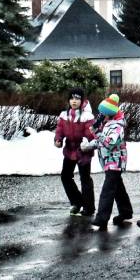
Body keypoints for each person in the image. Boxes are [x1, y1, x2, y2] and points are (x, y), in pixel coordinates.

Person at [88, 94, 132, 230]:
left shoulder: (118, 126)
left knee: (107, 190)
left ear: (110, 114)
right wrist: (88, 145)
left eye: (103, 114)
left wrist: (97, 133)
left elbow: (110, 143)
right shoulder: (107, 124)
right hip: (109, 161)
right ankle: (126, 211)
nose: (101, 116)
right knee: (118, 188)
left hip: (115, 161)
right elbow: (102, 141)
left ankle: (102, 218)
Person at [54, 87, 97, 216]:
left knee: (85, 178)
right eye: (72, 98)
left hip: (83, 150)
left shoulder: (87, 116)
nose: (74, 101)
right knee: (65, 176)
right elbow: (59, 130)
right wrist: (58, 139)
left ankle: (89, 207)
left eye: (77, 99)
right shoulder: (64, 115)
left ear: (82, 101)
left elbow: (90, 133)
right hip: (69, 149)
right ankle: (77, 202)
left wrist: (86, 143)